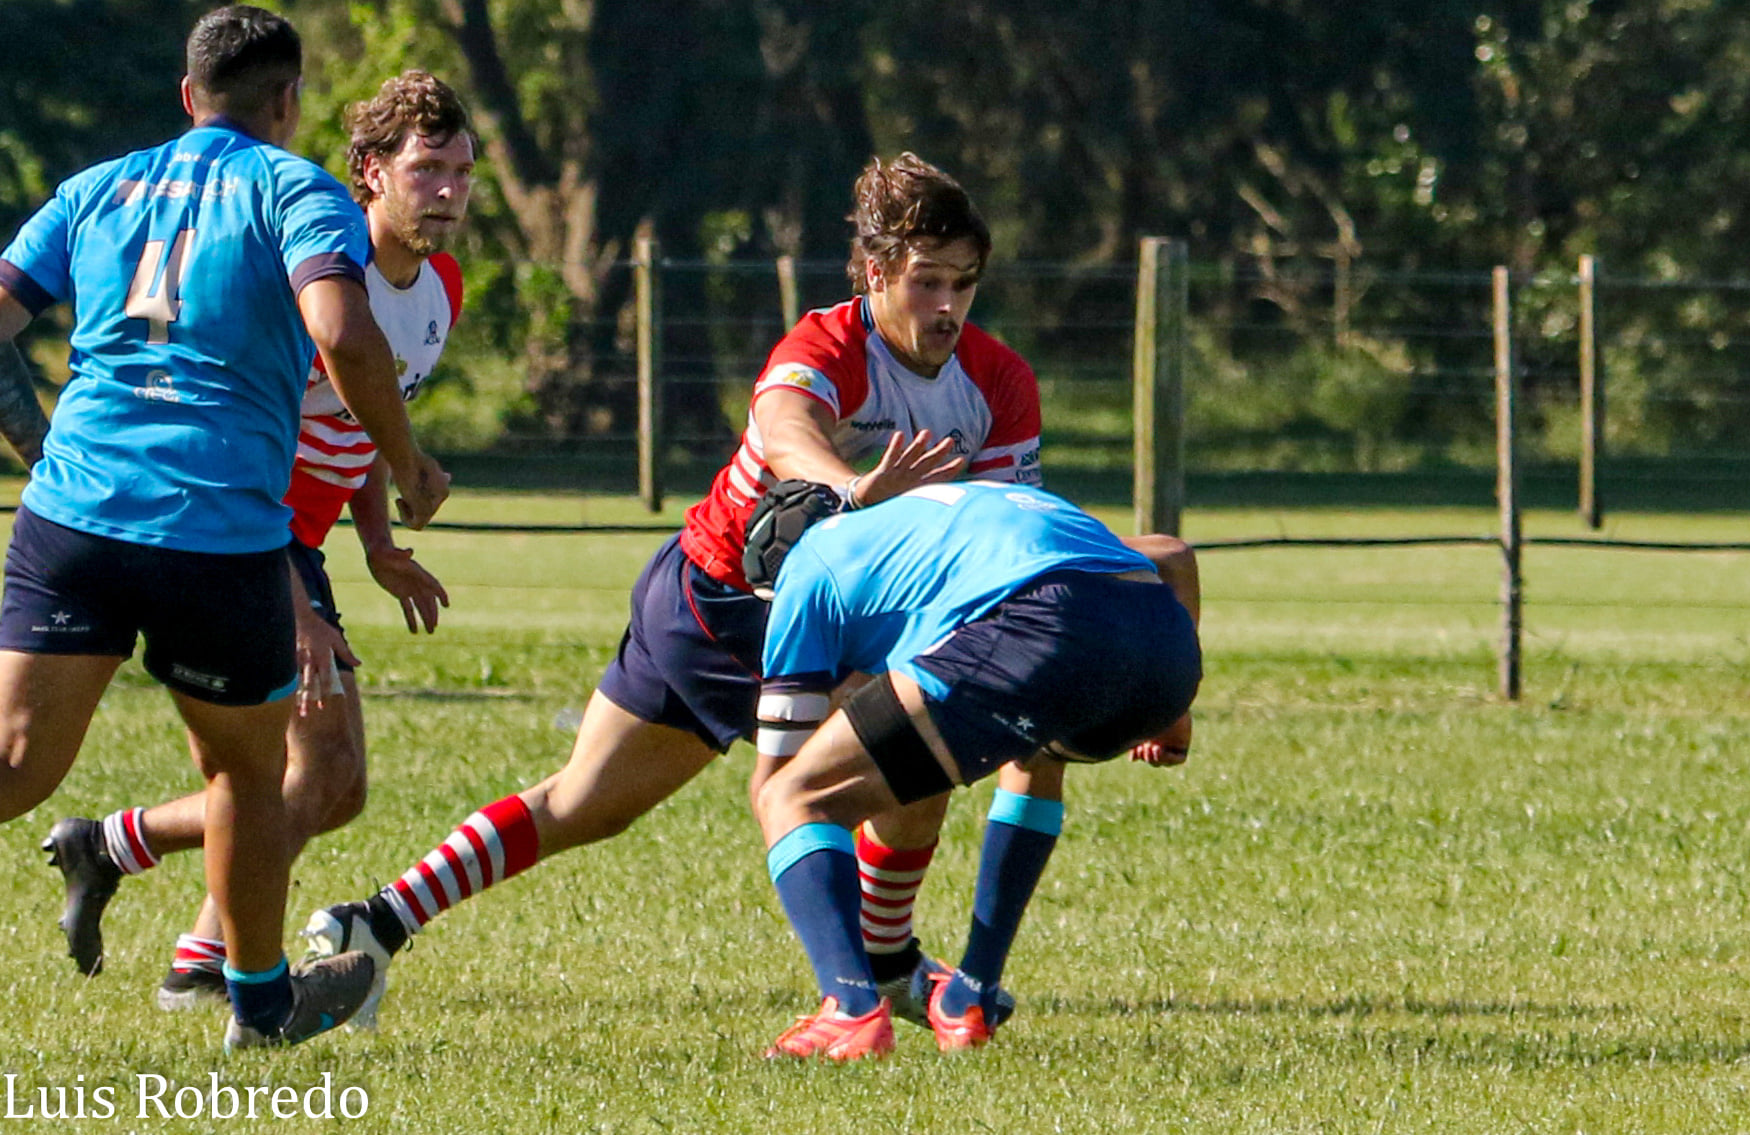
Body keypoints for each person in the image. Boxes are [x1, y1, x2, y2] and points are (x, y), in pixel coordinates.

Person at [302, 153, 1172, 1029]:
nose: (946, 306)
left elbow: (999, 522)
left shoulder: (996, 381)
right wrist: (847, 487)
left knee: (582, 803)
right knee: (906, 759)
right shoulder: (828, 344)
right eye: (926, 282)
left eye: (964, 284)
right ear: (875, 275)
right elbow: (782, 424)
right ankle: (884, 965)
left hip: (790, 602)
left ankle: (374, 921)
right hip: (725, 598)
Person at [0, 6, 448, 1049]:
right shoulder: (296, 190)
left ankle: (230, 972)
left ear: (186, 96)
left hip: (78, 513)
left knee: (16, 759)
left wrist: (41, 443)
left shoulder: (96, 188)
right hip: (219, 530)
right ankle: (257, 1003)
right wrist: (407, 461)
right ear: (288, 102)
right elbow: (341, 332)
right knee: (247, 774)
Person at [744, 480, 1201, 1060]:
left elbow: (776, 775)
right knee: (1033, 750)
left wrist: (800, 861)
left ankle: (850, 1008)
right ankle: (971, 995)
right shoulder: (926, 521)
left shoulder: (805, 567)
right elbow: (1171, 553)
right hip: (1163, 653)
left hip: (1042, 621)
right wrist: (1176, 711)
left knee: (796, 798)